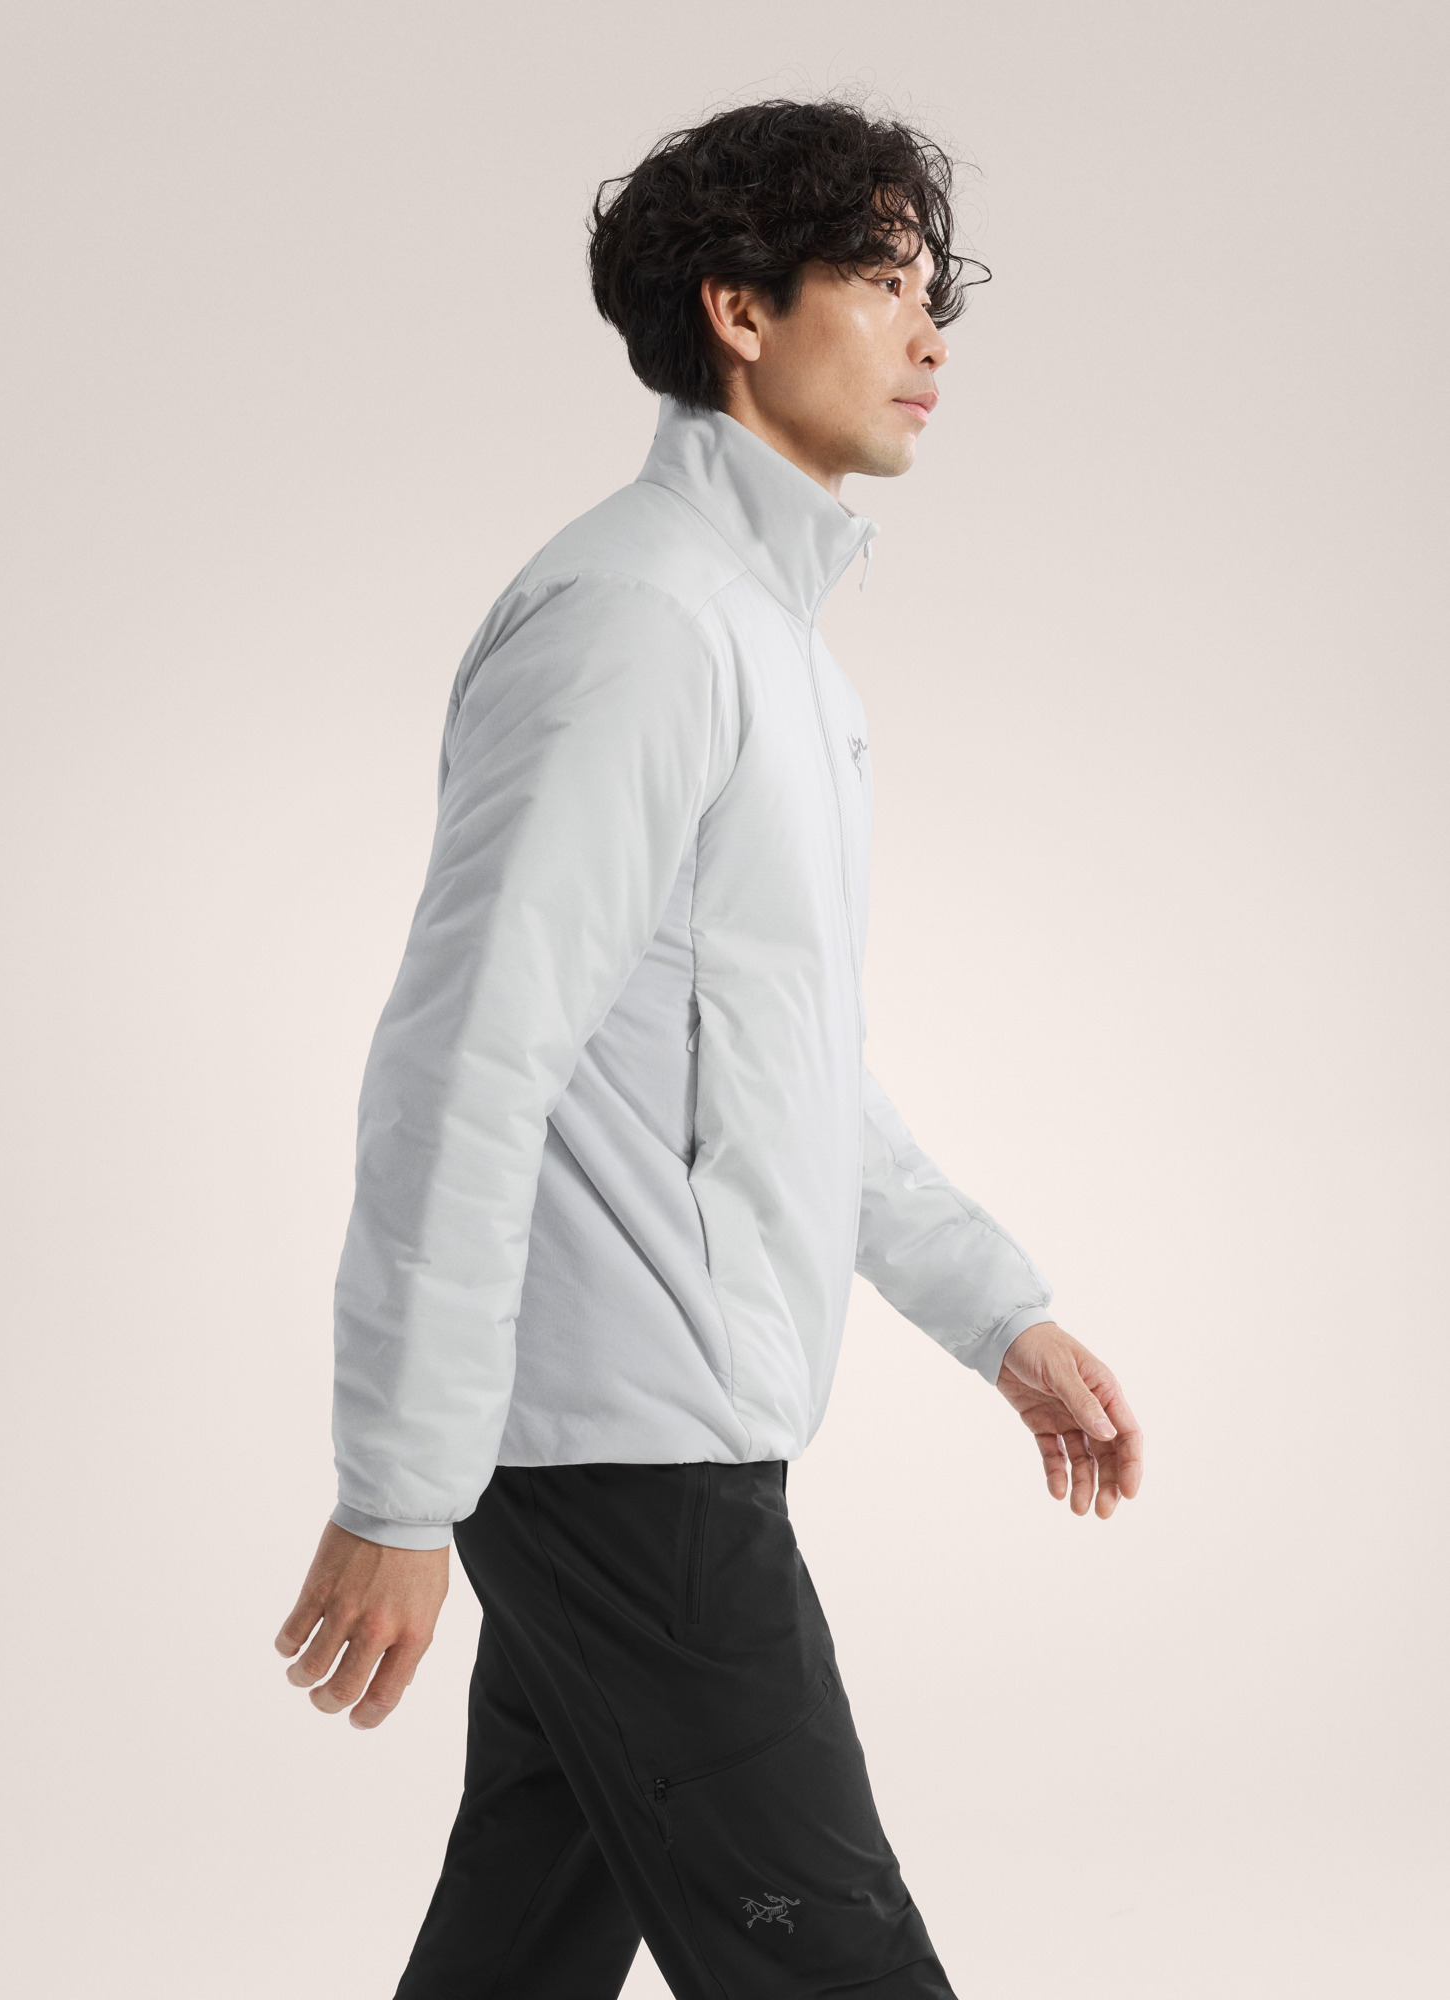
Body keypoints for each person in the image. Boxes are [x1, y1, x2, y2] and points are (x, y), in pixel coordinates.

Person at [274, 97, 1143, 1999]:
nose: (930, 334)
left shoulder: (769, 643)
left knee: (521, 1944)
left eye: (936, 291)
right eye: (884, 282)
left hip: (656, 1444)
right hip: (628, 1462)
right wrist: (395, 1488)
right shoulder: (640, 623)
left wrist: (998, 1312)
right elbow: (466, 1055)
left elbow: (787, 1064)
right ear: (739, 310)